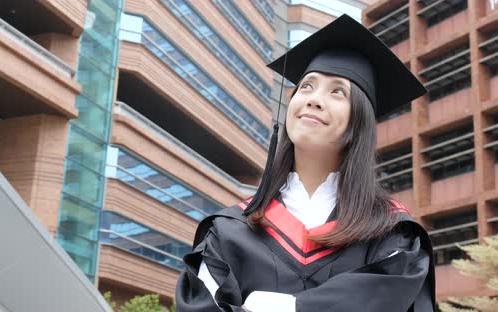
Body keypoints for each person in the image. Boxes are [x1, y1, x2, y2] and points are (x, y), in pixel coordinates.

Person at [175, 14, 435, 312]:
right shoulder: (228, 233)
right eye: (307, 86)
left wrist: (287, 307)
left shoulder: (392, 237)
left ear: (359, 121)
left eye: (337, 91)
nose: (314, 99)